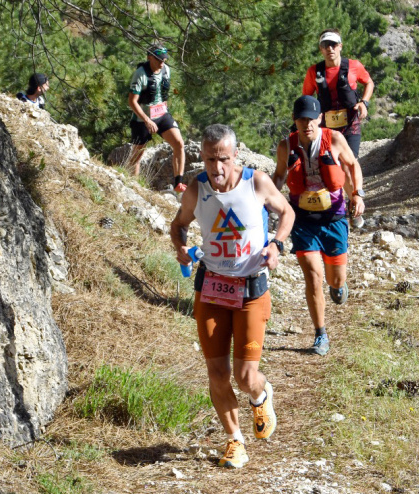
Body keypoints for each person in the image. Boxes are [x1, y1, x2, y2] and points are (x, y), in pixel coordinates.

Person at [170, 124, 294, 468]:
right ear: (202, 157)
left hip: (251, 286)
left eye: (223, 158)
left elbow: (287, 212)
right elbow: (178, 224)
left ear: (235, 155)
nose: (217, 167)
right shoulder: (197, 188)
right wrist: (180, 246)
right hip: (210, 286)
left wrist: (277, 244)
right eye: (210, 159)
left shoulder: (256, 182)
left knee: (244, 376)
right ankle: (235, 441)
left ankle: (260, 394)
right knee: (216, 372)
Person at [272, 96, 365, 356]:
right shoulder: (286, 146)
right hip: (302, 218)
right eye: (302, 119)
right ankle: (320, 334)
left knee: (335, 280)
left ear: (319, 118)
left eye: (311, 119)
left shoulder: (334, 139)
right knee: (313, 276)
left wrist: (357, 194)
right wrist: (269, 198)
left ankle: (338, 286)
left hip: (333, 217)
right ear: (295, 121)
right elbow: (280, 174)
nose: (307, 124)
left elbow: (352, 164)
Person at [302, 29, 374, 159]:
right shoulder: (314, 71)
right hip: (325, 126)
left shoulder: (354, 66)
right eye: (325, 45)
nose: (330, 48)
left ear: (340, 46)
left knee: (350, 161)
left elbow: (369, 83)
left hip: (351, 124)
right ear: (321, 49)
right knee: (329, 164)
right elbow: (306, 98)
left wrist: (364, 102)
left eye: (333, 44)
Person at [127, 43, 187, 192]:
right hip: (143, 119)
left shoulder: (166, 70)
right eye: (159, 60)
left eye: (164, 60)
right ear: (149, 58)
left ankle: (178, 182)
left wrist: (164, 108)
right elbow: (132, 101)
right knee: (137, 157)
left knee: (179, 144)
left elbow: (162, 91)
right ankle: (132, 187)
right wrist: (147, 120)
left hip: (161, 114)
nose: (162, 63)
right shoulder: (140, 74)